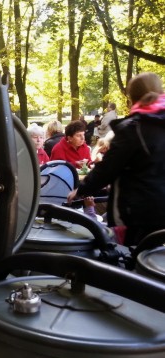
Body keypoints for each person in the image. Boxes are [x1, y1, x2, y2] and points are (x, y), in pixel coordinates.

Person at [67, 72, 165, 246]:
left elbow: (108, 168)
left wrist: (80, 190)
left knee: (130, 260)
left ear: (131, 99)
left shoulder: (133, 129)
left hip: (135, 212)